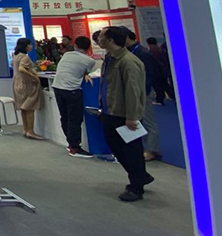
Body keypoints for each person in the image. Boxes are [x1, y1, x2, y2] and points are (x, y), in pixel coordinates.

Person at [97, 26, 152, 202]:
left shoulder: (129, 62)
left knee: (132, 151)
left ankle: (136, 187)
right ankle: (140, 175)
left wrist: (132, 116)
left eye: (102, 36)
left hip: (124, 115)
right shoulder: (110, 59)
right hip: (110, 112)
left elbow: (133, 91)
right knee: (116, 147)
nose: (98, 39)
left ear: (111, 40)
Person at [52, 36, 98, 157]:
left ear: (75, 45)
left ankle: (70, 144)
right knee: (75, 119)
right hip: (72, 90)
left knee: (65, 117)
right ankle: (75, 147)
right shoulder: (90, 61)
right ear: (88, 47)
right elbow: (86, 72)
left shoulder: (66, 55)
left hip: (57, 88)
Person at [127, 30, 161, 162]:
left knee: (148, 122)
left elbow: (149, 74)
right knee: (140, 121)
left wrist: (144, 91)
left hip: (142, 91)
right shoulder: (133, 51)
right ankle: (148, 147)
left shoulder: (142, 53)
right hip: (136, 91)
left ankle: (152, 150)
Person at [12, 38, 44, 140]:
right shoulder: (24, 57)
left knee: (23, 108)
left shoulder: (15, 56)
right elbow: (22, 69)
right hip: (26, 85)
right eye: (29, 45)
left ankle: (26, 129)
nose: (31, 46)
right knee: (30, 108)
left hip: (17, 83)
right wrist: (34, 77)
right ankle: (30, 131)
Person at [147, 37, 174, 103]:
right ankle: (172, 96)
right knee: (165, 85)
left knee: (159, 87)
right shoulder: (160, 49)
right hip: (164, 70)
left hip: (158, 72)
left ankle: (161, 99)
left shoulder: (152, 51)